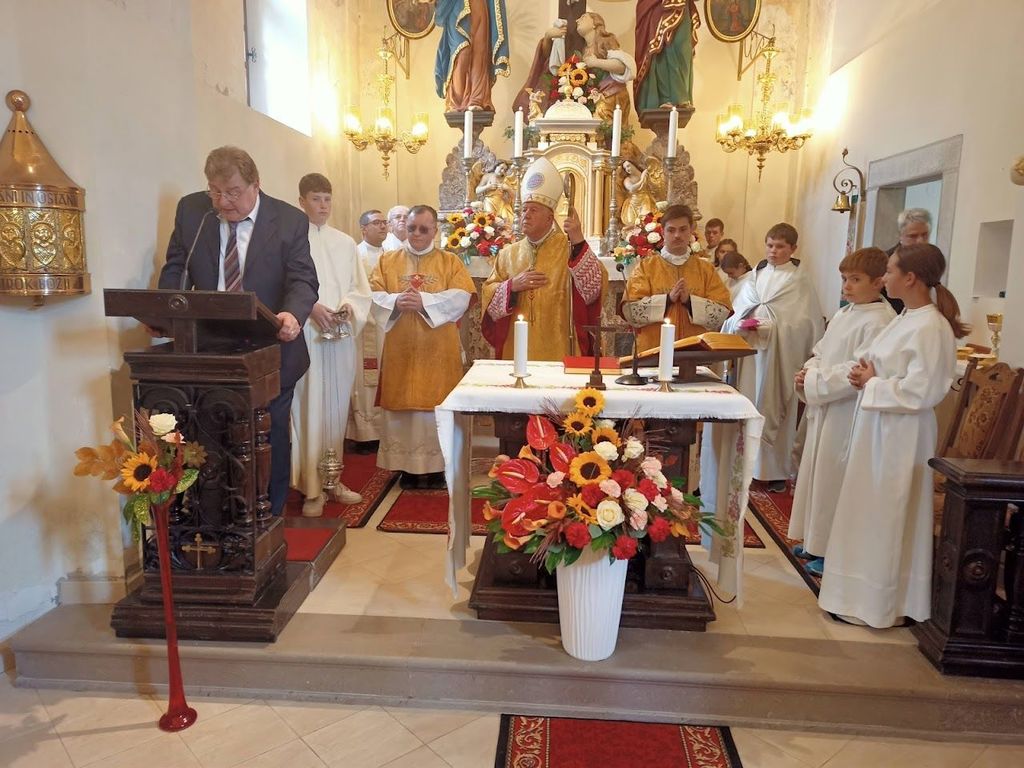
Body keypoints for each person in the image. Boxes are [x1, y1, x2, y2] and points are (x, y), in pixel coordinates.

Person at [157, 146, 318, 517]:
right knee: (210, 434)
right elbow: (176, 268)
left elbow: (303, 279)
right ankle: (215, 515)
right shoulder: (192, 211)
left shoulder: (289, 220)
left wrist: (292, 314)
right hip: (208, 349)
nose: (222, 202)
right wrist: (164, 312)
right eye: (215, 191)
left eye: (232, 193)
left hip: (271, 347)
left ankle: (269, 515)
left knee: (270, 435)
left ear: (255, 185)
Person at [819, 243, 967, 628]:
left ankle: (885, 605)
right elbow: (874, 359)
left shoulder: (931, 326)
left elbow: (924, 390)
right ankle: (856, 598)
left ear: (910, 278)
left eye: (890, 271)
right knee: (867, 511)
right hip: (878, 427)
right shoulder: (906, 317)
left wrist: (873, 382)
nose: (884, 278)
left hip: (902, 434)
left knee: (888, 514)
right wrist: (862, 373)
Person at [788, 248, 896, 576]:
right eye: (844, 279)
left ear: (878, 282)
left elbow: (858, 368)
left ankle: (832, 549)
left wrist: (816, 380)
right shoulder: (845, 313)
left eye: (855, 280)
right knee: (818, 474)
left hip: (849, 410)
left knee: (836, 478)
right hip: (827, 406)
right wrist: (809, 370)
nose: (846, 286)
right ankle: (815, 539)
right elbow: (822, 351)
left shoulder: (880, 320)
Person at [370, 205, 475, 487]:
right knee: (403, 407)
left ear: (435, 231)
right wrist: (395, 301)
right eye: (412, 228)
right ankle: (406, 468)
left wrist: (424, 302)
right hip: (400, 349)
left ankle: (437, 468)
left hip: (438, 352)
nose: (416, 233)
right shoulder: (387, 261)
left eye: (424, 229)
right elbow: (371, 294)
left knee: (437, 405)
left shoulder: (450, 261)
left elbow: (463, 296)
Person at [290, 174, 371, 515]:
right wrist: (310, 308)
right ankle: (311, 488)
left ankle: (333, 481)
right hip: (307, 334)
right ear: (301, 202)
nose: (323, 206)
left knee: (336, 409)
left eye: (327, 199)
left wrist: (349, 307)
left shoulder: (345, 243)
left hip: (339, 336)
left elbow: (359, 288)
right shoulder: (291, 240)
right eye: (315, 199)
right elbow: (285, 286)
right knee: (309, 407)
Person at [721, 223, 823, 491]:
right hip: (750, 357)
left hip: (780, 357)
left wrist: (774, 328)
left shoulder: (799, 280)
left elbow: (805, 324)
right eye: (770, 245)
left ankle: (774, 471)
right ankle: (743, 466)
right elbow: (739, 311)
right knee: (747, 404)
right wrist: (740, 325)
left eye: (780, 247)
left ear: (793, 248)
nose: (773, 251)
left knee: (774, 408)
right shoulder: (756, 275)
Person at [481, 157, 607, 361]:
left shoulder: (570, 249)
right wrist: (512, 286)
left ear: (550, 218)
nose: (526, 215)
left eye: (533, 210)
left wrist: (578, 240)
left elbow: (594, 290)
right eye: (524, 210)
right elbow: (488, 298)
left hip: (559, 346)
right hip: (517, 349)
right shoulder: (507, 254)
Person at [622, 204, 732, 351]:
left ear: (691, 230)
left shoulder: (706, 270)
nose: (677, 235)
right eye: (671, 230)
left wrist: (689, 302)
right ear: (663, 232)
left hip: (694, 352)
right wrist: (667, 299)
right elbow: (630, 310)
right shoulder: (645, 268)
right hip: (653, 351)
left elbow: (722, 311)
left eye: (683, 229)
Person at [349, 210, 389, 450]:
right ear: (363, 229)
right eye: (377, 223)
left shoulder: (391, 255)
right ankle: (364, 434)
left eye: (384, 222)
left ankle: (384, 431)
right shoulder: (355, 254)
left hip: (388, 325)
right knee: (364, 380)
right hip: (364, 326)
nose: (383, 226)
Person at [434, 0, 510, 111]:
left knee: (480, 52)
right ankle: (456, 101)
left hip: (480, 4)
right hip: (456, 6)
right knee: (462, 52)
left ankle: (477, 98)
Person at [634, 0, 701, 110]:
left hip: (682, 7)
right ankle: (665, 98)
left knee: (682, 49)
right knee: (661, 49)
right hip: (659, 8)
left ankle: (681, 96)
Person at [577, 12, 638, 123]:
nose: (577, 20)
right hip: (595, 100)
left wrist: (596, 62)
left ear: (595, 23)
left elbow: (621, 66)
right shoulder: (583, 50)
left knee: (610, 129)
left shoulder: (605, 42)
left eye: (583, 17)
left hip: (612, 95)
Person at [883, 208, 932, 314]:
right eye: (913, 236)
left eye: (924, 235)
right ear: (900, 235)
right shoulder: (886, 260)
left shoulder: (931, 259)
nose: (920, 241)